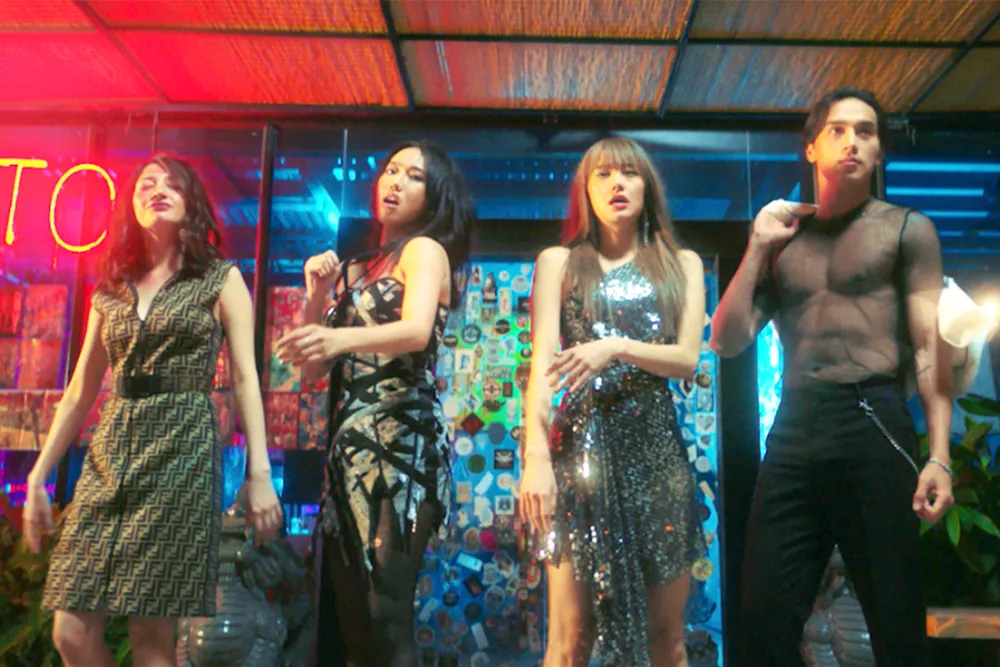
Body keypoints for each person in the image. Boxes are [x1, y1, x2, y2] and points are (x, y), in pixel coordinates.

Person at [710, 87, 954, 667]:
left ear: (879, 151)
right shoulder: (783, 240)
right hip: (796, 425)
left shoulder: (907, 229)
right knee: (764, 615)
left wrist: (940, 456)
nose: (852, 142)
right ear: (812, 147)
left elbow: (929, 347)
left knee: (895, 615)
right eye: (838, 130)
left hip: (874, 419)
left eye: (866, 132)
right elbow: (726, 339)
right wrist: (756, 246)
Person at [24, 154, 283, 667]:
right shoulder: (110, 288)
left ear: (192, 204)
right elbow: (80, 389)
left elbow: (245, 378)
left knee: (151, 637)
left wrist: (260, 473)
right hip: (111, 452)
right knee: (70, 632)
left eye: (172, 184)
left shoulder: (219, 277)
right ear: (131, 204)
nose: (158, 190)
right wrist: (38, 475)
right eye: (146, 183)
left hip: (181, 453)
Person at [274, 140, 474, 666]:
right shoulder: (357, 267)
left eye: (414, 177)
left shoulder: (424, 250)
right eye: (391, 170)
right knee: (354, 615)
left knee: (386, 613)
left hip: (403, 443)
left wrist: (337, 337)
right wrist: (317, 295)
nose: (396, 182)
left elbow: (415, 330)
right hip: (350, 449)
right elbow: (313, 369)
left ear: (434, 197)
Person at [519, 137, 707, 667]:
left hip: (655, 455)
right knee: (571, 637)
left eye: (629, 173)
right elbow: (543, 364)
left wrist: (615, 347)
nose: (617, 184)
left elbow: (687, 358)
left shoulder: (682, 263)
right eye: (602, 174)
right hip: (577, 454)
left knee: (666, 637)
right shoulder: (559, 262)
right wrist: (535, 457)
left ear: (648, 187)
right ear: (585, 190)